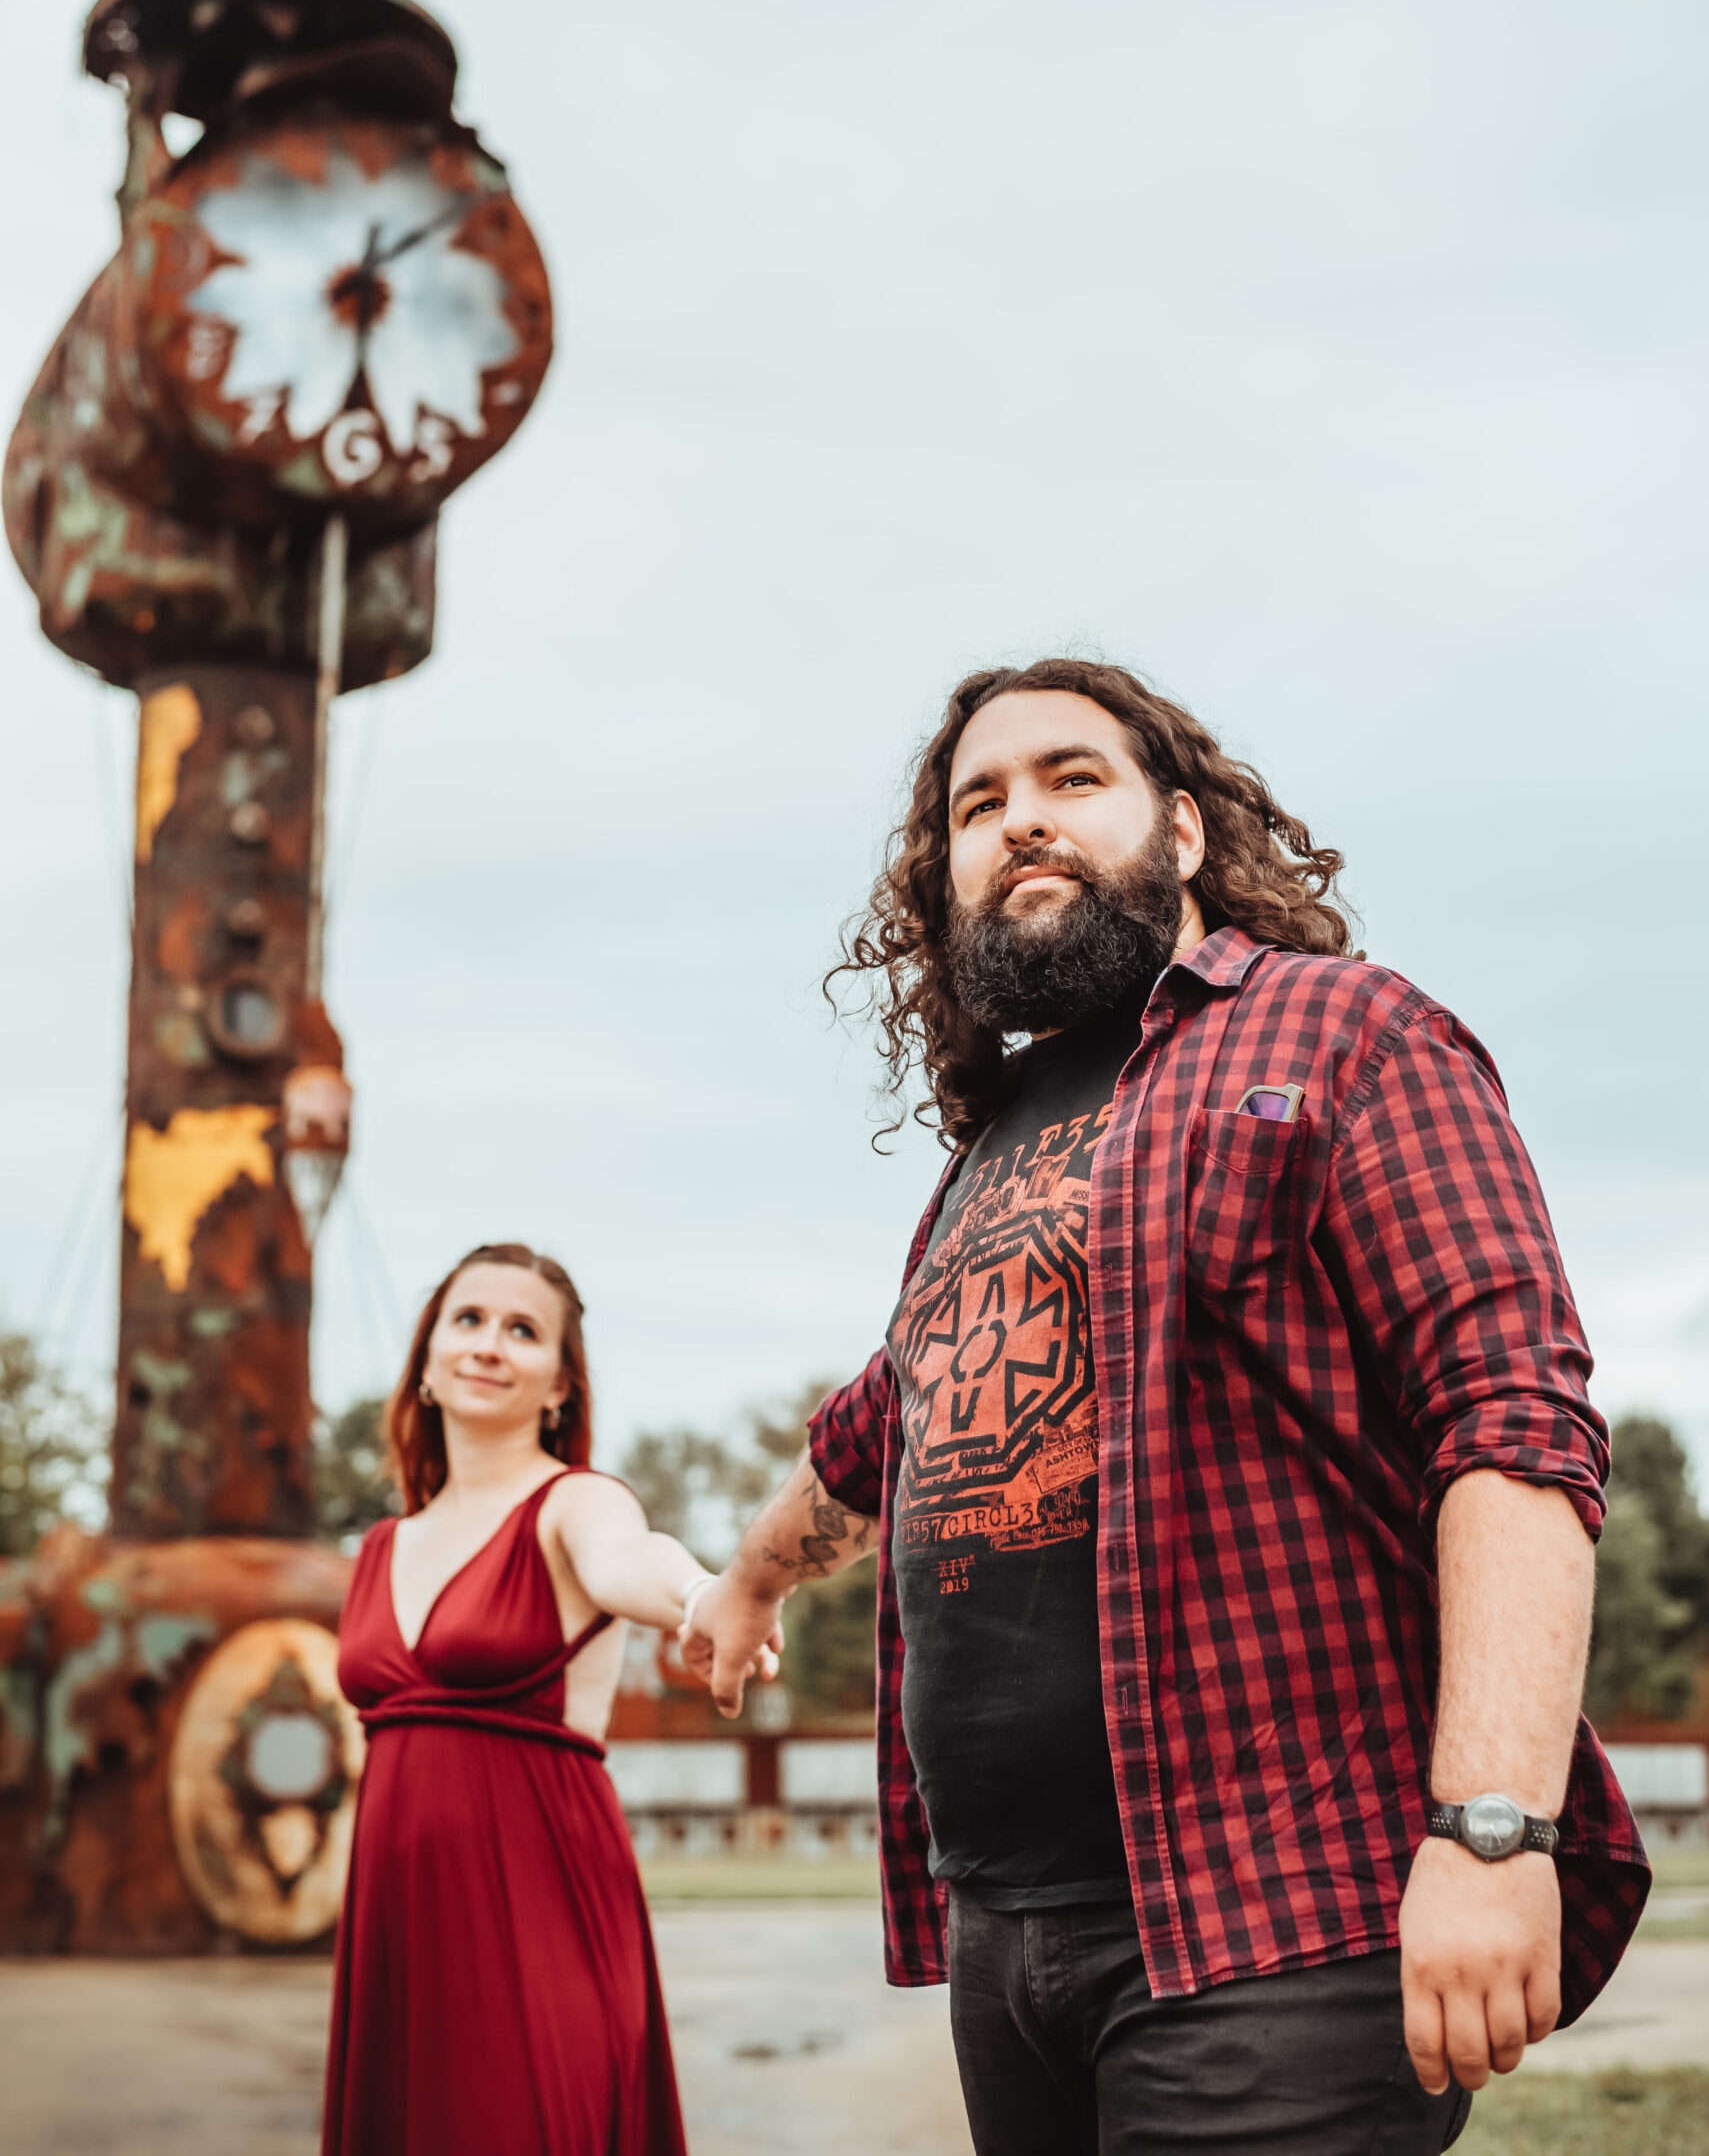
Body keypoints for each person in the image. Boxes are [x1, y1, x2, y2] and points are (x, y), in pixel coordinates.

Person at [682, 658, 1649, 2156]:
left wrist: (1491, 1827)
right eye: (976, 805)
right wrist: (749, 1576)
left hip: (1273, 1924)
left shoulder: (1347, 1035)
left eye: (1072, 779)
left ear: (1184, 834)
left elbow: (1507, 1422)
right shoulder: (991, 1148)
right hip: (1005, 1931)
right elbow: (887, 1418)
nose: (1020, 820)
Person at [323, 1240, 706, 2156]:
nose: (489, 1344)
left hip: (542, 1914)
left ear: (560, 1386)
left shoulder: (576, 1504)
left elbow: (631, 1560)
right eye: (469, 1319)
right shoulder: (377, 1547)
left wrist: (700, 1595)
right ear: (426, 1360)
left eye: (523, 1330)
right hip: (396, 1934)